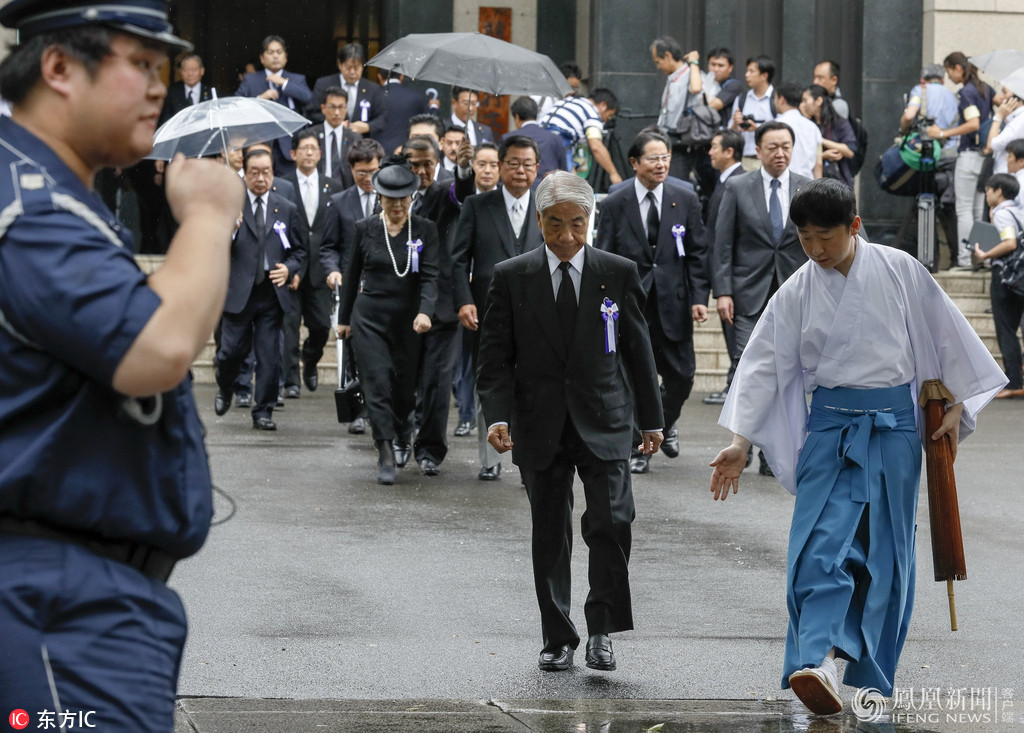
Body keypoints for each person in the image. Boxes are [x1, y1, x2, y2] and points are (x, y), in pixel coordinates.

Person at [0, 1, 244, 728]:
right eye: (138, 64)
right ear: (57, 67)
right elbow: (156, 349)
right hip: (58, 603)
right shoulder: (29, 206)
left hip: (82, 595)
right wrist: (205, 217)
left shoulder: (49, 193)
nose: (158, 87)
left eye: (165, 69)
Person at [709, 178, 1006, 715]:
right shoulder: (798, 289)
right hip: (829, 433)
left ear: (855, 227)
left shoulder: (900, 270)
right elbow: (761, 367)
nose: (816, 250)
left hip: (893, 432)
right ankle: (818, 658)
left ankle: (870, 676)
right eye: (804, 238)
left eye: (826, 237)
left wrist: (959, 401)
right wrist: (739, 441)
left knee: (886, 555)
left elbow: (948, 338)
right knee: (819, 546)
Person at [477, 170, 663, 673]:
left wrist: (652, 420)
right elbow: (495, 356)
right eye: (555, 224)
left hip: (605, 418)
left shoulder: (617, 272)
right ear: (539, 222)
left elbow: (638, 351)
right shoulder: (512, 275)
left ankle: (602, 629)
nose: (566, 237)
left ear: (590, 221)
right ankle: (557, 636)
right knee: (549, 531)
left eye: (576, 224)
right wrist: (496, 415)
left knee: (612, 522)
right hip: (539, 422)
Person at [595, 130, 707, 474]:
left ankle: (664, 422)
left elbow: (698, 252)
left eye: (665, 157)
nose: (661, 164)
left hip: (674, 301)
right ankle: (639, 448)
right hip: (631, 305)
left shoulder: (685, 196)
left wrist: (700, 297)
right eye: (653, 158)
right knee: (631, 378)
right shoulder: (615, 200)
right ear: (634, 163)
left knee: (682, 375)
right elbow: (604, 254)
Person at [712, 121, 810, 475]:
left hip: (792, 293)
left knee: (786, 369)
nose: (779, 153)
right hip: (746, 294)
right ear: (758, 150)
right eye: (772, 147)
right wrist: (722, 291)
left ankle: (773, 450)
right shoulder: (738, 186)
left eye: (785, 146)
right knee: (746, 367)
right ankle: (744, 443)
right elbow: (722, 244)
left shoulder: (806, 187)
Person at [336, 158, 439, 484]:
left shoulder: (425, 229)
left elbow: (431, 277)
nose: (397, 205)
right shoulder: (364, 229)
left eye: (403, 198)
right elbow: (351, 277)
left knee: (404, 387)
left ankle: (402, 430)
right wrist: (344, 319)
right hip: (369, 318)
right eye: (390, 199)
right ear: (379, 198)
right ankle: (383, 448)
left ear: (411, 197)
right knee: (376, 381)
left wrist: (425, 311)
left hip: (410, 321)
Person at [452, 136, 544, 481]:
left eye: (528, 164)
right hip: (487, 313)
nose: (520, 171)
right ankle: (489, 460)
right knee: (489, 383)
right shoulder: (477, 205)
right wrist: (463, 300)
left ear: (537, 168)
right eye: (513, 163)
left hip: (538, 317)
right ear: (500, 166)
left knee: (533, 388)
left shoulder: (546, 207)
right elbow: (458, 259)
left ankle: (528, 460)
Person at [214, 148, 306, 430]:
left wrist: (289, 269)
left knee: (269, 355)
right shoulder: (230, 203)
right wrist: (229, 229)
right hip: (239, 291)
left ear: (273, 173)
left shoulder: (285, 207)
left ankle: (263, 410)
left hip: (270, 292)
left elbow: (300, 251)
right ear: (244, 174)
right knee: (229, 352)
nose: (260, 178)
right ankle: (226, 388)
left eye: (266, 172)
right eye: (254, 172)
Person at [403, 135, 473, 475]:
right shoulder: (393, 193)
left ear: (437, 162)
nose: (420, 171)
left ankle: (430, 448)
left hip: (443, 306)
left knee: (436, 382)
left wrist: (463, 168)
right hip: (403, 303)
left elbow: (462, 193)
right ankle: (400, 439)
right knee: (402, 379)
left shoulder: (445, 190)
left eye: (427, 163)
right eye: (413, 165)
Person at [324, 138, 386, 436]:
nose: (368, 178)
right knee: (354, 350)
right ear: (351, 170)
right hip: (351, 287)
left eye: (373, 171)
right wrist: (333, 271)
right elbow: (328, 246)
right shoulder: (338, 202)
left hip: (381, 286)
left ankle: (381, 408)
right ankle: (358, 411)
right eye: (362, 172)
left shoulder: (392, 199)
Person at [281, 128, 344, 398]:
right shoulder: (282, 185)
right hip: (291, 271)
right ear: (293, 153)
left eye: (313, 148)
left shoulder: (333, 186)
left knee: (320, 326)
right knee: (289, 326)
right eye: (303, 148)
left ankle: (311, 360)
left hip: (321, 270)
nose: (308, 152)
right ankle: (291, 380)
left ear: (320, 154)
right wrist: (289, 266)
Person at [926, 52, 994, 270]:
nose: (949, 76)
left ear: (957, 68)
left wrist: (943, 134)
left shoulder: (967, 92)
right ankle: (984, 258)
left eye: (948, 71)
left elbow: (973, 123)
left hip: (968, 155)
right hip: (984, 158)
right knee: (979, 210)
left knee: (964, 209)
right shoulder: (986, 89)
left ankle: (965, 260)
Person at [452, 142, 501, 438]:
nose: (487, 170)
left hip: (497, 294)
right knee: (467, 362)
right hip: (469, 294)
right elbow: (458, 193)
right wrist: (462, 168)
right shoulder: (467, 198)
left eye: (493, 164)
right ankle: (465, 415)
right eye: (481, 164)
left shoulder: (506, 204)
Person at [696, 129, 745, 405]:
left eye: (714, 147)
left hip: (734, 274)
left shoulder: (737, 182)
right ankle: (733, 382)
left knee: (736, 334)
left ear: (729, 151)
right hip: (723, 272)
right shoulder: (724, 181)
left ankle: (734, 385)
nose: (710, 152)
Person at [973, 173, 1024, 399]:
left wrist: (985, 254)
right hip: (1019, 276)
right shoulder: (1018, 211)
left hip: (1006, 277)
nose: (986, 195)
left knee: (1006, 330)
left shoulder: (1003, 214)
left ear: (999, 191)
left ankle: (1014, 381)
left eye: (988, 190)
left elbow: (1009, 242)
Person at [235, 35, 312, 176]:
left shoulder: (296, 79)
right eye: (270, 53)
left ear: (286, 56)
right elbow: (236, 105)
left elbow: (308, 98)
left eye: (279, 52)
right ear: (262, 58)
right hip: (259, 145)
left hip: (288, 149)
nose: (275, 56)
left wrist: (284, 83)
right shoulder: (251, 80)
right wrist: (260, 99)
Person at [541, 87, 622, 184]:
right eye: (609, 116)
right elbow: (596, 146)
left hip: (539, 139)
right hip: (558, 143)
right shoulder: (591, 113)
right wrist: (613, 173)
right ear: (603, 105)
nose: (605, 121)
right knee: (567, 188)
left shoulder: (569, 101)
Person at [311, 42, 387, 139]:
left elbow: (381, 118)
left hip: (360, 142)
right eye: (348, 67)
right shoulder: (323, 84)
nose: (352, 72)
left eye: (356, 67)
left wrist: (367, 127)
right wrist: (334, 122)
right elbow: (313, 114)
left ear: (362, 66)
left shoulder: (373, 88)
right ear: (340, 65)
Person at [800, 84, 856, 188]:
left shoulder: (839, 122)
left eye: (805, 100)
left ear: (818, 101)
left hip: (838, 181)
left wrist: (820, 140)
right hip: (810, 181)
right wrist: (824, 155)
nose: (802, 105)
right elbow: (799, 155)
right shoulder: (806, 125)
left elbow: (849, 151)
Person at [505, 95, 567, 183]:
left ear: (517, 117)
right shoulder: (555, 139)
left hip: (517, 190)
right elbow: (563, 172)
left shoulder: (508, 138)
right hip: (548, 191)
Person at [731, 55, 776, 168]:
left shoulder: (777, 99)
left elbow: (782, 132)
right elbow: (730, 133)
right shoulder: (741, 99)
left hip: (770, 160)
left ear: (764, 75)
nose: (747, 75)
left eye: (752, 71)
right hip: (744, 160)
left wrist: (758, 129)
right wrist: (735, 124)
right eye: (747, 71)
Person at [313, 86, 361, 188]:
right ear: (323, 108)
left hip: (346, 189)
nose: (337, 113)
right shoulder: (312, 135)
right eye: (332, 107)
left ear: (346, 108)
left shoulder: (354, 138)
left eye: (341, 107)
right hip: (318, 187)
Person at [774, 81, 822, 180]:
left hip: (783, 182)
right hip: (807, 184)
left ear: (781, 99)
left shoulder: (775, 126)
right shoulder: (813, 127)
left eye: (775, 98)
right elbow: (818, 164)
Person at [375, 71, 431, 155]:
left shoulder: (375, 96)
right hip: (408, 149)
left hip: (379, 150)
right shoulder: (416, 96)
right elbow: (427, 121)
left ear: (379, 76)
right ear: (401, 76)